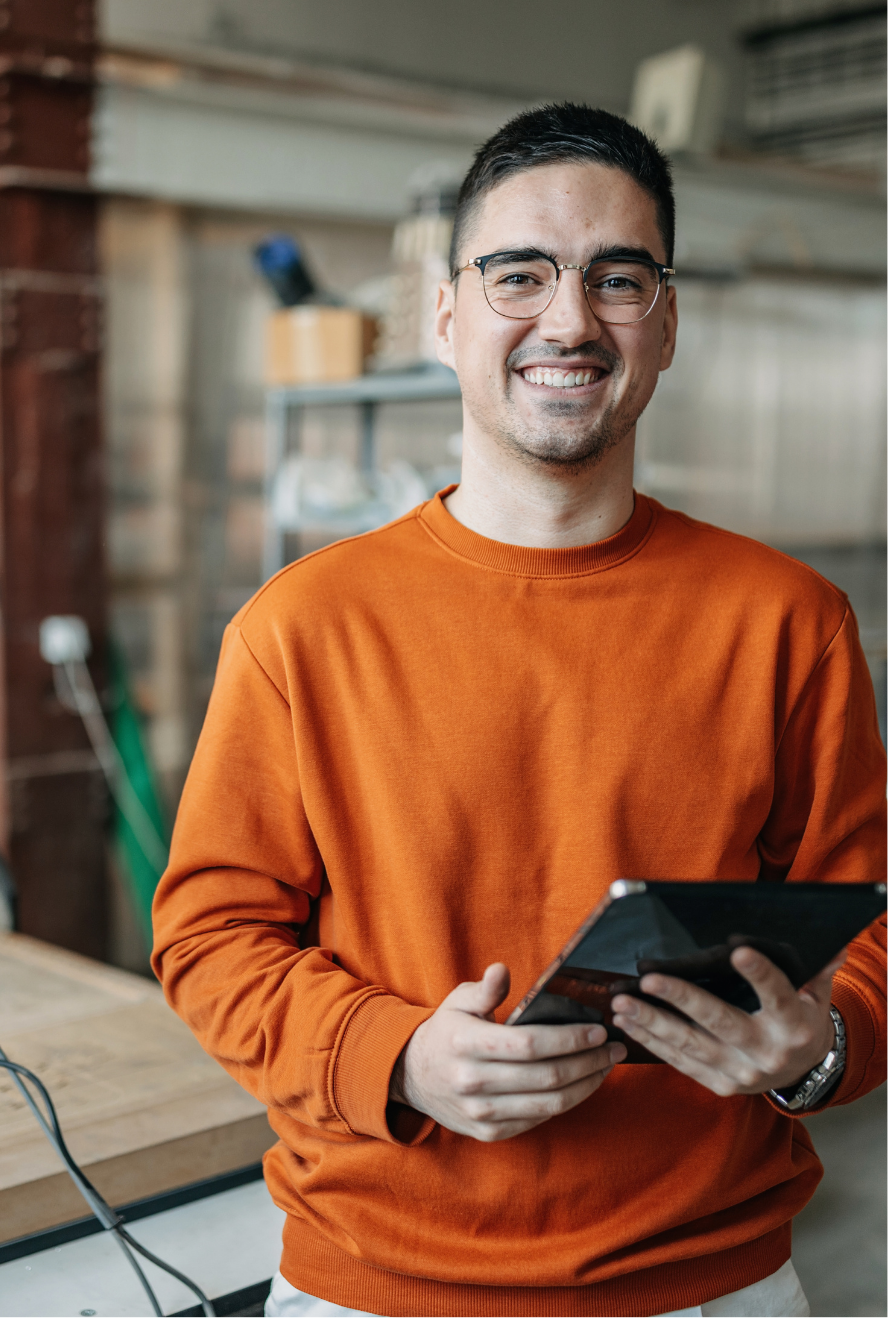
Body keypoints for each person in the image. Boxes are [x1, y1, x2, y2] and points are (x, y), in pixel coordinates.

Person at [152, 103, 885, 1318]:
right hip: (373, 1288)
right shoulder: (301, 627)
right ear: (446, 315)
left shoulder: (786, 620)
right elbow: (208, 938)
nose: (568, 318)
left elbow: (868, 924)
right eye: (518, 273)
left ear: (663, 324)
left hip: (707, 1286)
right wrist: (393, 1054)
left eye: (617, 277)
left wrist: (815, 1052)